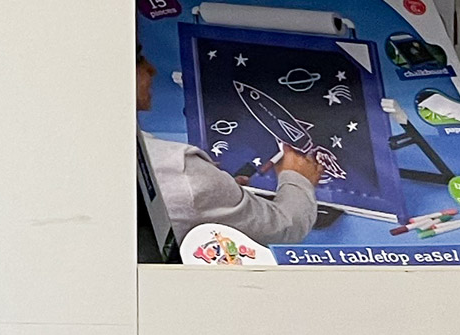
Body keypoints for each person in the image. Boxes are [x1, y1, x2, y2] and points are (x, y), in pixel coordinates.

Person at [138, 51, 322, 245]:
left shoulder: (147, 156)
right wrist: (297, 178)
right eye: (139, 59)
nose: (152, 69)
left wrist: (217, 192)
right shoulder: (181, 169)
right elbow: (285, 226)